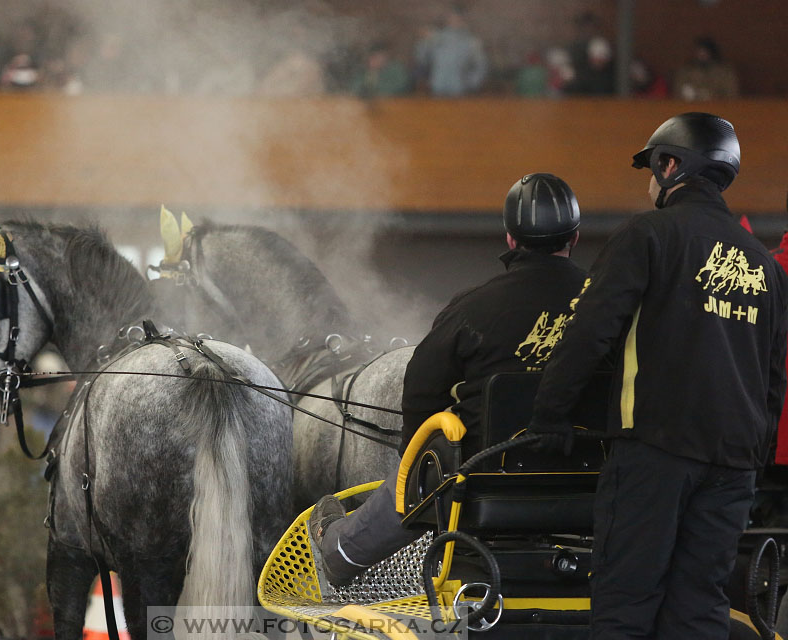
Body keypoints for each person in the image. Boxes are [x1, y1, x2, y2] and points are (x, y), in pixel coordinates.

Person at [528, 112, 788, 639]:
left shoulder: (650, 234)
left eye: (652, 166)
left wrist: (550, 413)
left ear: (671, 166)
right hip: (734, 463)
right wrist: (753, 456)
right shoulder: (763, 263)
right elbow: (772, 375)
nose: (650, 179)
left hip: (656, 449)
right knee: (699, 608)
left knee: (627, 600)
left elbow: (591, 331)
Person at [310, 173, 586, 586]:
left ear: (511, 239)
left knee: (425, 466)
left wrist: (413, 465)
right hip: (589, 477)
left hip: (485, 475)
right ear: (576, 237)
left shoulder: (475, 306)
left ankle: (341, 552)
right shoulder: (605, 302)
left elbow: (421, 388)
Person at [413, 6, 488, 97]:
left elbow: (481, 66)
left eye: (457, 18)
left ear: (463, 20)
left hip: (460, 90)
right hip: (437, 87)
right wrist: (424, 42)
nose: (454, 21)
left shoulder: (471, 42)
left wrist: (472, 83)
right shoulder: (436, 38)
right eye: (451, 18)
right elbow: (421, 59)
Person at [674, 37, 739, 101]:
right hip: (691, 107)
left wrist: (711, 95)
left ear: (712, 53)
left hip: (719, 108)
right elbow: (678, 92)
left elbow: (732, 93)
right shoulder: (686, 71)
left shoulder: (725, 72)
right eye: (699, 52)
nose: (701, 55)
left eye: (705, 52)